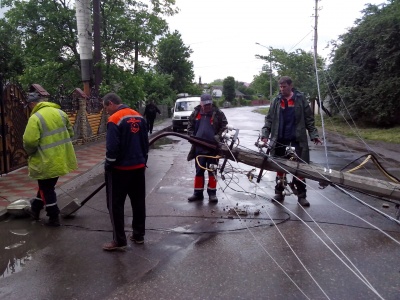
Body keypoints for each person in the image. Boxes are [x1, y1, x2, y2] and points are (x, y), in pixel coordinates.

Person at [261, 76, 322, 207]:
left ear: (290, 86)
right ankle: (279, 191)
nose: (282, 89)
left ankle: (301, 196)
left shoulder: (300, 100)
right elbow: (269, 119)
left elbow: (309, 120)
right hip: (280, 138)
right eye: (280, 87)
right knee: (279, 165)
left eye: (284, 87)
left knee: (300, 167)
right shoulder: (276, 101)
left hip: (297, 139)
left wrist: (314, 135)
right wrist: (265, 134)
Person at [102, 92, 149, 251]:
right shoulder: (139, 116)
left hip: (120, 170)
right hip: (138, 167)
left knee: (115, 205)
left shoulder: (114, 119)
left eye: (105, 107)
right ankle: (138, 235)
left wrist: (109, 165)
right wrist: (143, 161)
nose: (106, 111)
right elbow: (145, 142)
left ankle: (119, 240)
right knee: (138, 202)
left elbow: (112, 147)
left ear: (110, 103)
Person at [23, 92, 78, 226]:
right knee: (46, 186)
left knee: (47, 189)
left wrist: (30, 152)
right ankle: (35, 209)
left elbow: (30, 142)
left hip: (45, 161)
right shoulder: (60, 113)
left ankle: (53, 216)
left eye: (28, 106)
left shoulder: (35, 118)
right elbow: (71, 133)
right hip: (62, 158)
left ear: (32, 104)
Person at [187, 94, 228, 203]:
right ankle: (198, 193)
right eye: (205, 105)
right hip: (199, 147)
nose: (207, 107)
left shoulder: (218, 113)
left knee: (212, 170)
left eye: (209, 104)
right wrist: (192, 136)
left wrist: (218, 137)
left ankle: (212, 194)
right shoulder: (196, 113)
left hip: (212, 148)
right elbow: (190, 125)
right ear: (201, 103)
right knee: (199, 171)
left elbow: (224, 126)